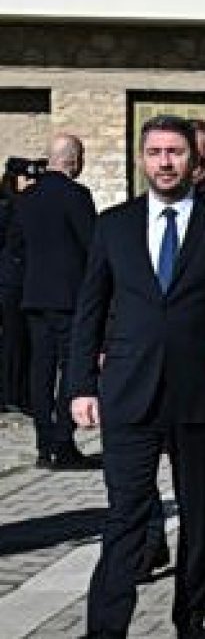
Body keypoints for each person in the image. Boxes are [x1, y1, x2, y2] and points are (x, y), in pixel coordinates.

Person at [68, 114, 205, 638]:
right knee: (126, 518)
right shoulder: (113, 225)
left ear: (194, 162)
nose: (165, 162)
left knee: (202, 518)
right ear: (142, 158)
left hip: (199, 393)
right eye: (155, 152)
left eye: (175, 153)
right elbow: (89, 310)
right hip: (128, 394)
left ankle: (189, 621)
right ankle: (105, 630)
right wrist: (80, 388)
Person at [7, 134, 96, 469]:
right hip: (70, 298)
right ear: (73, 160)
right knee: (72, 369)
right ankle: (64, 441)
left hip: (34, 297)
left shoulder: (26, 198)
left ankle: (44, 445)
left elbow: (15, 247)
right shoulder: (77, 196)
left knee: (40, 371)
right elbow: (93, 244)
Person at [0, 157, 40, 414]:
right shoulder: (11, 206)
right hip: (11, 280)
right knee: (16, 340)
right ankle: (13, 392)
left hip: (12, 278)